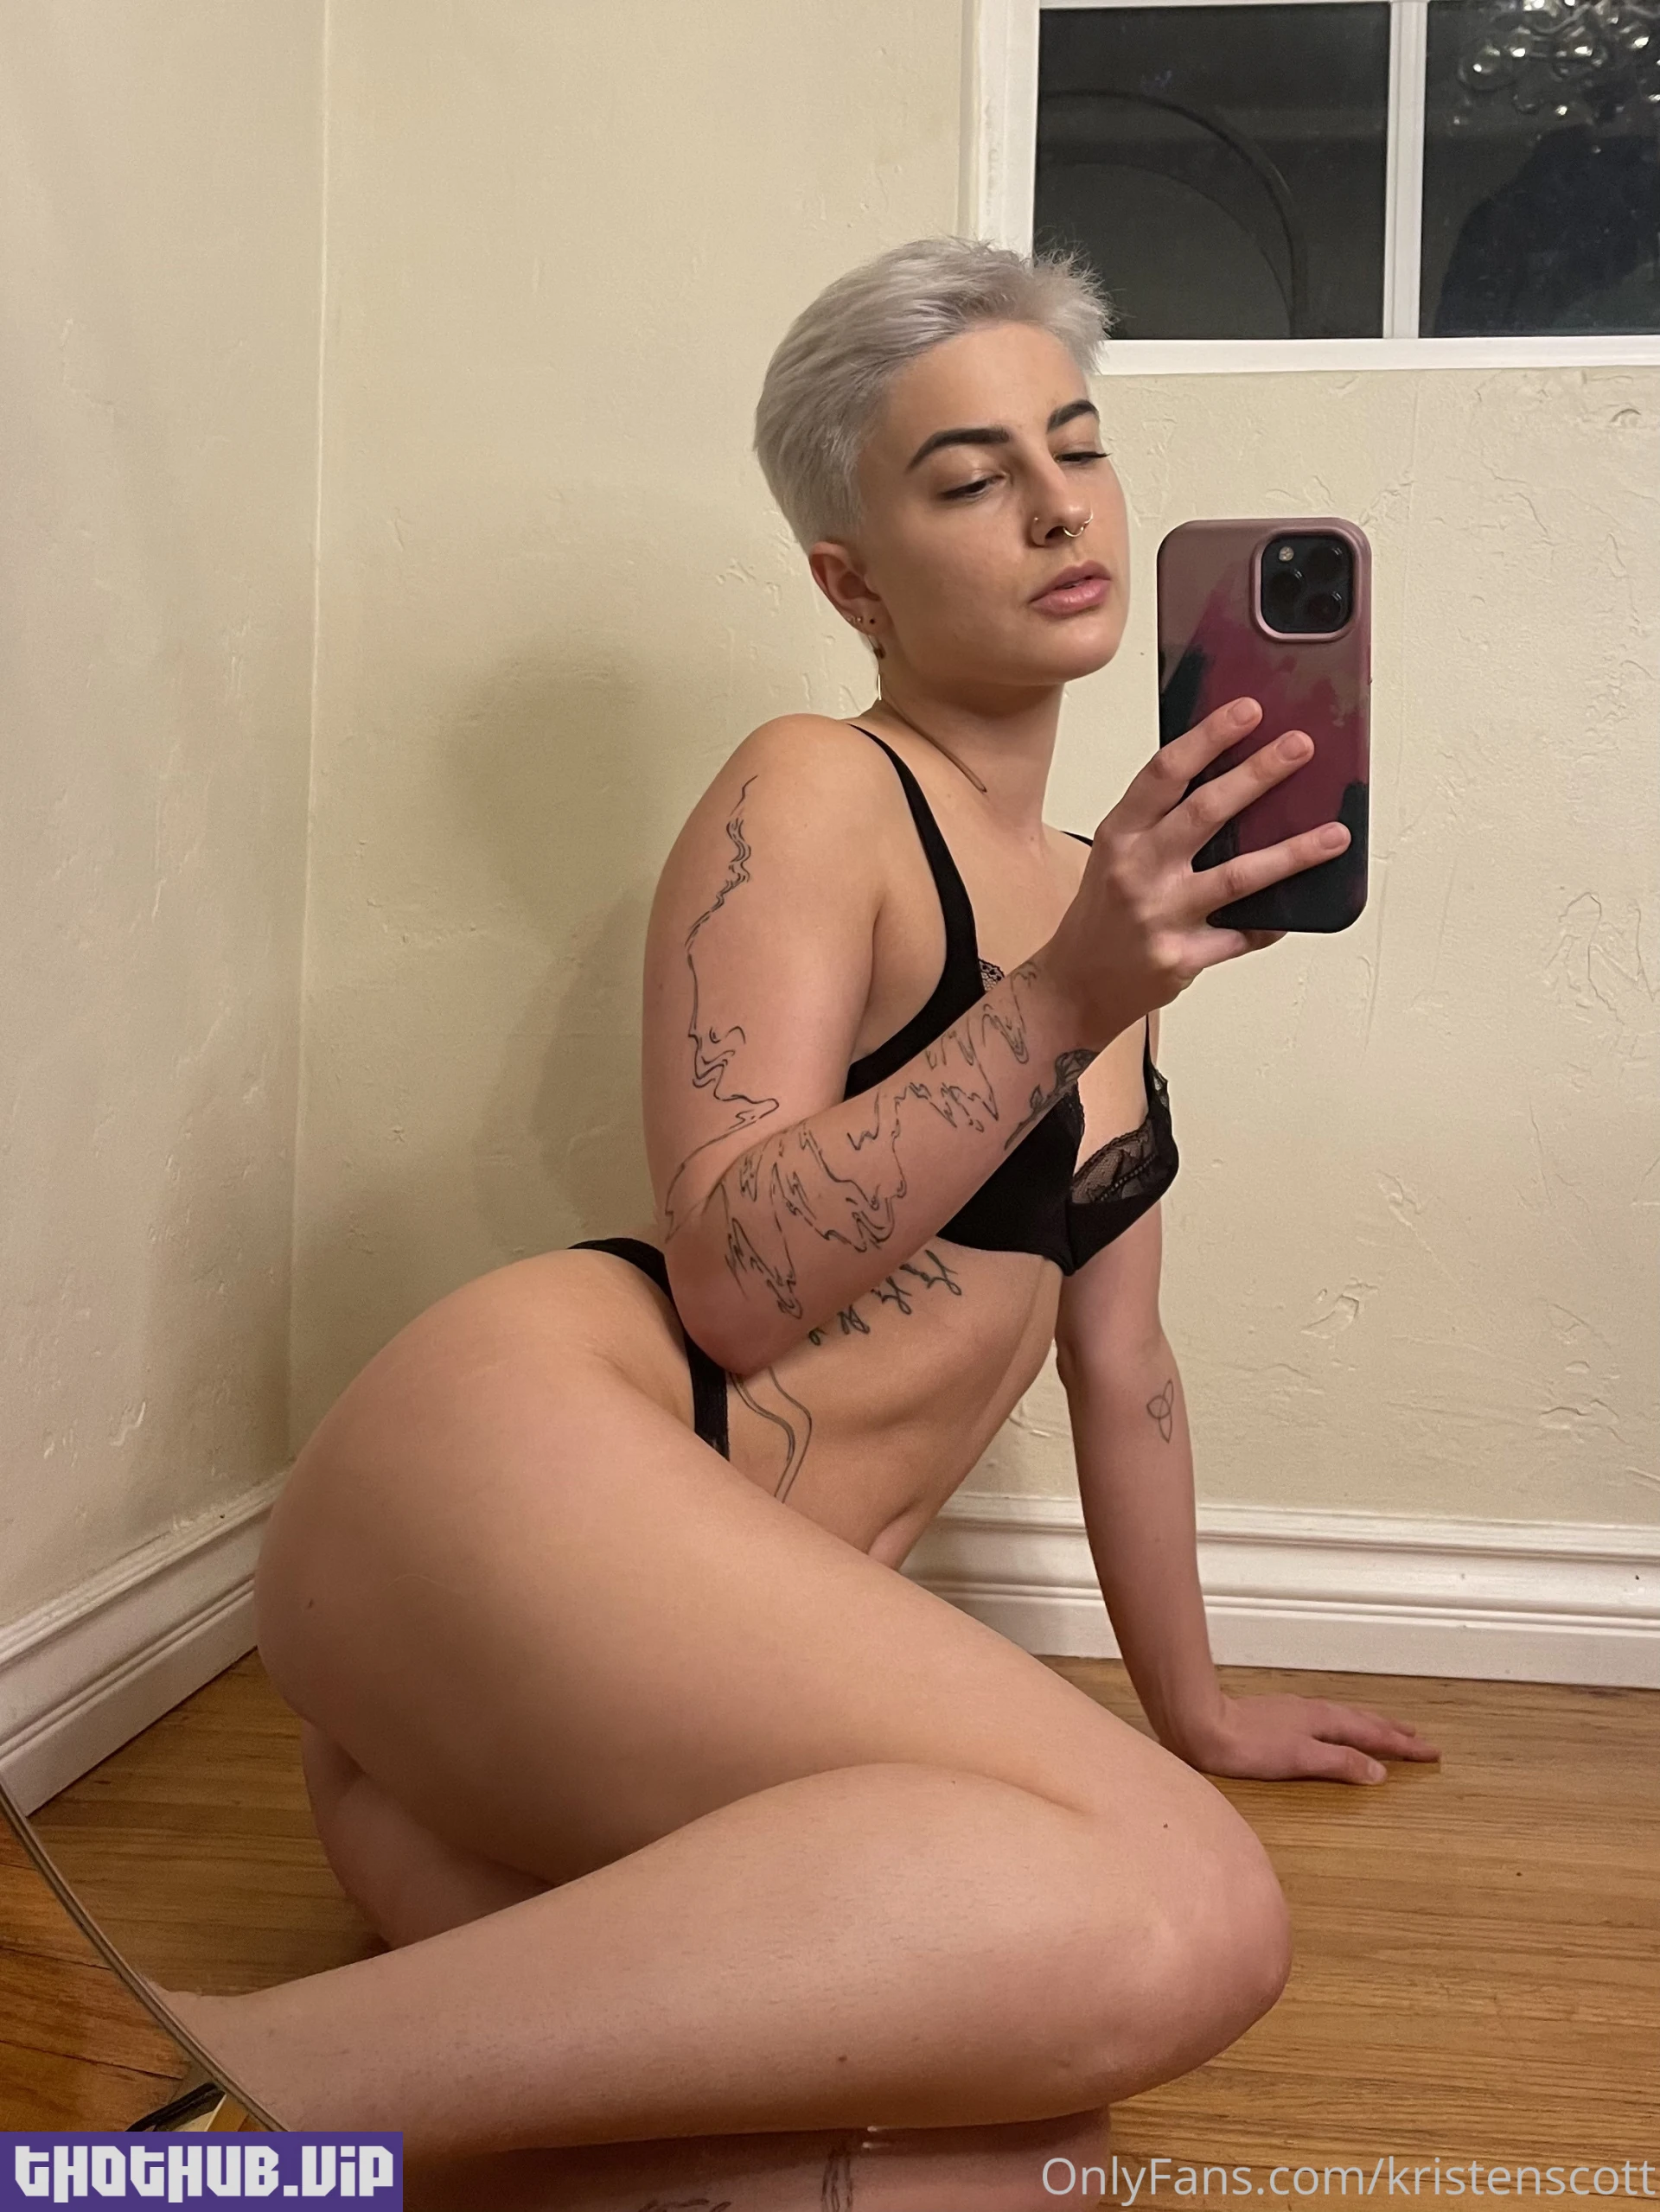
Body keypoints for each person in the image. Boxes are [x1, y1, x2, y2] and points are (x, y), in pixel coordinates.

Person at [158, 236, 1436, 2208]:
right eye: (970, 476)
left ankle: (297, 2113)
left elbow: (1124, 1364)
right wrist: (1063, 999)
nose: (1057, 505)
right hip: (519, 1471)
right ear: (853, 583)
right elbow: (734, 1277)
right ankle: (164, 2111)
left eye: (1078, 445)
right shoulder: (822, 787)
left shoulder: (1107, 893)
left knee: (1021, 2154)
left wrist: (1195, 1708)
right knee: (1192, 1911)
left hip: (580, 1698)